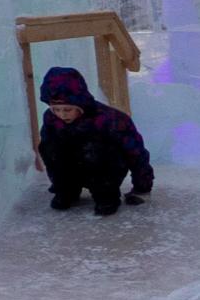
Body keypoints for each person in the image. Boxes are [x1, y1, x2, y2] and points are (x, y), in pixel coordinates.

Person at [37, 66, 152, 216]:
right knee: (49, 146)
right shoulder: (51, 119)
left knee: (94, 148)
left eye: (67, 109)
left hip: (104, 168)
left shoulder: (110, 119)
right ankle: (67, 189)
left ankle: (106, 195)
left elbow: (135, 153)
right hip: (75, 166)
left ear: (79, 104)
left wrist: (141, 187)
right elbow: (49, 152)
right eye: (56, 109)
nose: (61, 115)